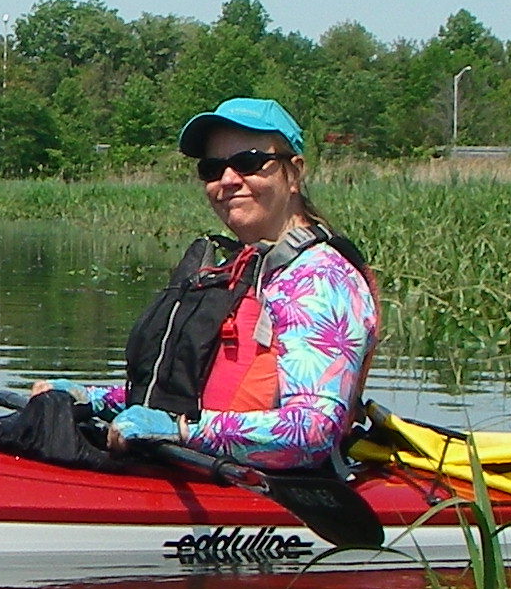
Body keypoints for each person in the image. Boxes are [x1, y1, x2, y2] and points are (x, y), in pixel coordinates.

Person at [40, 98, 377, 472]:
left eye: (249, 163)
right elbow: (202, 392)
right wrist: (97, 399)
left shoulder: (319, 279)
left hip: (279, 491)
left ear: (293, 173)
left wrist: (182, 431)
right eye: (213, 169)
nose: (229, 180)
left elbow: (312, 432)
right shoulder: (252, 267)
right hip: (210, 467)